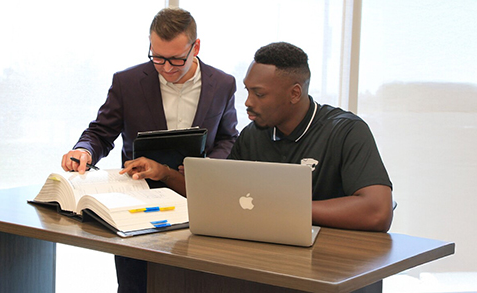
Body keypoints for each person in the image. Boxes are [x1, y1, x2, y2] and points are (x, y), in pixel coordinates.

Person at [122, 41, 393, 292]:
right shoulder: (254, 134)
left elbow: (377, 211)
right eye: (248, 90)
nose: (248, 102)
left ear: (294, 93)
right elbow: (220, 194)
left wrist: (285, 209)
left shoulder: (346, 131)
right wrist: (165, 173)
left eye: (259, 94)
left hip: (335, 271)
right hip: (270, 266)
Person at [61, 8, 239, 292]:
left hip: (197, 202)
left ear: (197, 47)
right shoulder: (127, 82)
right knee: (135, 286)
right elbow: (100, 132)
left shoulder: (223, 84)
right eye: (157, 58)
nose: (167, 68)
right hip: (136, 205)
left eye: (177, 59)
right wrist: (84, 151)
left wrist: (208, 169)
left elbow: (229, 138)